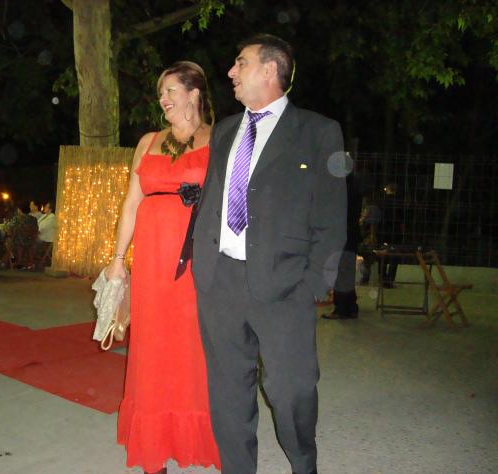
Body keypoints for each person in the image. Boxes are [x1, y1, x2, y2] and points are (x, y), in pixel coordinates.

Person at [192, 34, 347, 474]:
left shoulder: (319, 132)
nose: (231, 72)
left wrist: (315, 283)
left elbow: (332, 217)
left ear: (269, 70)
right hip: (220, 280)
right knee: (228, 392)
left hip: (284, 285)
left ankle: (303, 464)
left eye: (240, 63)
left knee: (290, 389)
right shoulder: (225, 131)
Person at [105, 61, 220, 474]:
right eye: (160, 93)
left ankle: (195, 438)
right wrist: (118, 260)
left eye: (170, 90)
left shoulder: (219, 138)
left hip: (196, 260)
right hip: (152, 263)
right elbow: (131, 203)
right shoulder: (149, 141)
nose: (163, 100)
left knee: (192, 349)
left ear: (194, 93)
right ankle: (154, 449)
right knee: (151, 348)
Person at [322, 169, 363, 319]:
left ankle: (341, 308)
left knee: (340, 272)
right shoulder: (354, 186)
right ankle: (351, 307)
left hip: (342, 235)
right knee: (347, 272)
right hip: (351, 234)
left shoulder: (343, 189)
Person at [4, 201, 38, 268]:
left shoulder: (17, 218)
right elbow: (36, 229)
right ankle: (27, 261)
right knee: (20, 239)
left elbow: (9, 230)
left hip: (17, 243)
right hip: (31, 242)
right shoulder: (34, 219)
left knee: (5, 241)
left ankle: (11, 260)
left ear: (19, 210)